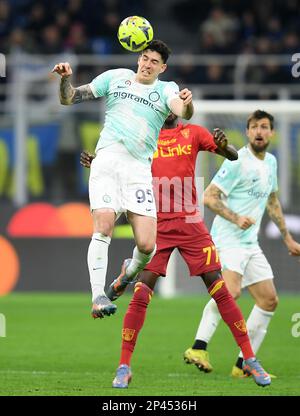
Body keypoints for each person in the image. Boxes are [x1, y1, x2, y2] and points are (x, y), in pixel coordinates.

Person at [81, 113, 271, 389]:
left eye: (173, 100)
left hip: (191, 223)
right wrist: (96, 163)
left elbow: (231, 156)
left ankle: (251, 359)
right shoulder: (142, 138)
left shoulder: (193, 132)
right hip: (156, 222)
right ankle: (124, 366)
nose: (168, 106)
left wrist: (225, 145)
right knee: (142, 293)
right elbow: (117, 164)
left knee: (220, 289)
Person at [52, 40, 194, 319]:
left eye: (154, 61)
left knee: (147, 246)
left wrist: (188, 105)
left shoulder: (166, 89)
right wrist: (65, 80)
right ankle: (97, 297)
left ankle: (128, 274)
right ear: (138, 58)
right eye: (144, 58)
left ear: (162, 67)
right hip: (106, 163)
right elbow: (68, 98)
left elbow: (182, 110)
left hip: (139, 171)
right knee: (103, 226)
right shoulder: (115, 77)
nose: (146, 64)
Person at [184, 110, 300, 378]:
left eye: (264, 127)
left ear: (272, 133)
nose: (259, 131)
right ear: (247, 132)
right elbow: (209, 197)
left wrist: (287, 238)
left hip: (250, 244)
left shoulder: (271, 162)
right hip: (228, 240)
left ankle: (243, 364)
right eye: (254, 127)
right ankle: (198, 347)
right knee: (231, 292)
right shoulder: (236, 161)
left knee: (269, 300)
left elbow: (272, 202)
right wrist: (236, 218)